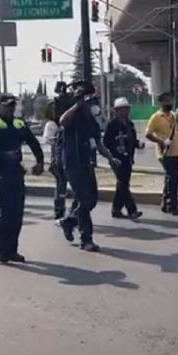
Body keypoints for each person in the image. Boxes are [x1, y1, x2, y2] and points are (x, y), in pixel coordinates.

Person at [57, 81, 121, 252]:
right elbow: (62, 121)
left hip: (87, 163)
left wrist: (110, 158)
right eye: (90, 101)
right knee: (85, 201)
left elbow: (98, 143)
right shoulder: (73, 117)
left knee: (90, 200)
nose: (93, 105)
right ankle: (86, 239)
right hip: (72, 164)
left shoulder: (90, 121)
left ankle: (69, 220)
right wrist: (78, 105)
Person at [0, 95, 44, 263]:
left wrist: (40, 161)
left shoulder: (19, 123)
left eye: (12, 106)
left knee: (17, 213)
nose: (10, 109)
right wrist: (4, 155)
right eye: (6, 106)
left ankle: (11, 250)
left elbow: (33, 142)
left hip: (16, 172)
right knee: (6, 212)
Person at [104, 97, 143, 220]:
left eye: (127, 109)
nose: (125, 111)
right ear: (116, 111)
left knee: (122, 185)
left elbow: (131, 139)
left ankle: (116, 209)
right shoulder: (112, 125)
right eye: (122, 109)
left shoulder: (129, 124)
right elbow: (105, 142)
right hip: (117, 159)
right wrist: (114, 152)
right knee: (123, 185)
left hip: (128, 158)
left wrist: (137, 144)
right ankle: (132, 210)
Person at [145, 92, 178, 215]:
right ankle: (171, 204)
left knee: (172, 178)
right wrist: (160, 142)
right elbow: (148, 134)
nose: (169, 103)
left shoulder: (173, 116)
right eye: (166, 101)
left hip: (175, 151)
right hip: (164, 152)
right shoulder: (156, 117)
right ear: (161, 103)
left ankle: (166, 202)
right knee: (171, 178)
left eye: (170, 101)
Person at [43, 104, 67, 219]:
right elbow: (49, 140)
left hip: (70, 158)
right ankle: (59, 211)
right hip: (58, 160)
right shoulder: (52, 125)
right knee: (60, 186)